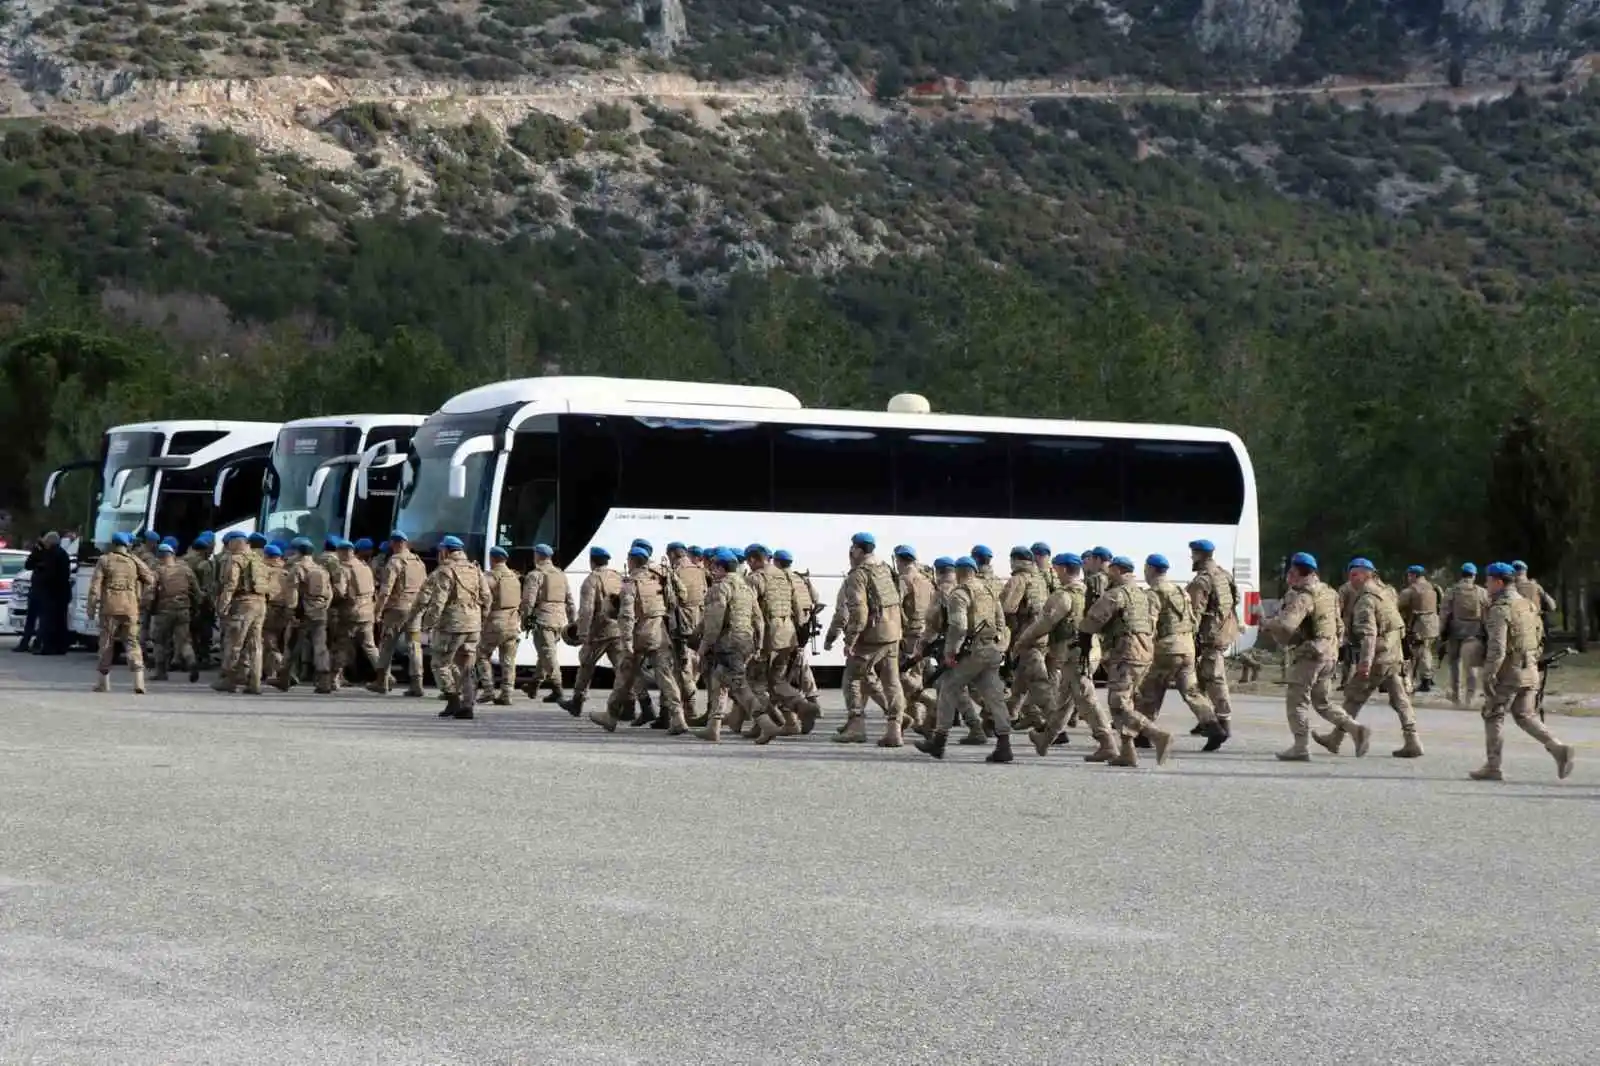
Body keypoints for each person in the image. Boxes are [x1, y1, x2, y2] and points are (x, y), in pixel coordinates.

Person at [1471, 562, 1576, 782]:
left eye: (1488, 580)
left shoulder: (1500, 609)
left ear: (1498, 582)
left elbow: (1497, 648)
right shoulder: (1527, 605)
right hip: (1530, 669)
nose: (1485, 584)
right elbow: (1539, 637)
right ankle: (1558, 747)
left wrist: (1489, 674)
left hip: (1510, 671)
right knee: (1525, 715)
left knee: (1493, 714)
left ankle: (1493, 766)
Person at [1260, 552, 1370, 761]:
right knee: (1322, 701)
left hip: (1311, 654)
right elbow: (1339, 624)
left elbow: (1287, 625)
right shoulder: (1328, 592)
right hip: (1330, 652)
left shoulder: (1304, 595)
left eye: (1291, 572)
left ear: (1296, 572)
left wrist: (1268, 623)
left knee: (1297, 700)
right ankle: (1355, 729)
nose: (1289, 577)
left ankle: (1300, 746)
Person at [1318, 558, 1424, 758]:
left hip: (1378, 656)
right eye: (1350, 575)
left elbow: (1369, 634)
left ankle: (1338, 738)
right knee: (1400, 699)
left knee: (1354, 697)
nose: (1351, 580)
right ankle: (1413, 740)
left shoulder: (1366, 599)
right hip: (1393, 654)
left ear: (1368, 575)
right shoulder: (1386, 592)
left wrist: (1365, 663)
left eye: (1355, 575)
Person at [915, 556, 1011, 762]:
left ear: (959, 572)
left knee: (948, 688)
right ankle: (1004, 744)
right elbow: (1001, 622)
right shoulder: (987, 590)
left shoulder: (959, 593)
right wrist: (1001, 646)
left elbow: (959, 626)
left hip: (971, 652)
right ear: (974, 571)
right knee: (995, 696)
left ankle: (938, 742)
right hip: (990, 649)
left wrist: (951, 652)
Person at [828, 532, 905, 745]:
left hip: (872, 636)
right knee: (892, 682)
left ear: (858, 550)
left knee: (852, 677)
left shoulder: (858, 575)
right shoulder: (885, 569)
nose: (850, 551)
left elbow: (859, 613)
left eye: (852, 548)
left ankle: (856, 726)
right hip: (892, 633)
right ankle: (895, 729)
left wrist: (850, 640)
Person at [87, 531, 154, 692]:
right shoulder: (133, 561)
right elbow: (150, 579)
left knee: (107, 643)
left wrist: (91, 607)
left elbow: (95, 586)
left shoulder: (104, 560)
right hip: (130, 608)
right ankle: (139, 682)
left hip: (109, 608)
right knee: (132, 643)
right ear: (128, 545)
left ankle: (103, 683)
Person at [561, 546, 624, 718]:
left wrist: (582, 632)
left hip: (599, 632)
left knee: (586, 665)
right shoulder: (616, 576)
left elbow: (587, 609)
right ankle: (632, 703)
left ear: (592, 561)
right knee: (622, 667)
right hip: (617, 628)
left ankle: (577, 701)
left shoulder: (591, 580)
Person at [370, 531, 428, 697]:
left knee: (387, 644)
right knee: (415, 645)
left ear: (394, 543)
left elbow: (385, 590)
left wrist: (378, 611)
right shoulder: (418, 562)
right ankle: (417, 683)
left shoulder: (394, 562)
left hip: (396, 610)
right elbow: (425, 587)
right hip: (415, 610)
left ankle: (381, 682)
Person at [521, 543, 574, 704]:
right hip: (559, 620)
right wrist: (572, 621)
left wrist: (525, 619)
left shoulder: (535, 575)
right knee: (546, 653)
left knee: (548, 654)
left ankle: (558, 689)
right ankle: (534, 684)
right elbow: (569, 600)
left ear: (537, 555)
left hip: (543, 619)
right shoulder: (560, 574)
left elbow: (529, 601)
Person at [148, 541, 201, 683]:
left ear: (160, 556)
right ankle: (191, 662)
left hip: (164, 611)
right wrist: (195, 608)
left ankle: (160, 672)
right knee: (184, 641)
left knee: (159, 641)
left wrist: (150, 609)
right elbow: (197, 592)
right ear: (173, 555)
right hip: (183, 610)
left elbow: (150, 593)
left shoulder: (158, 571)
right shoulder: (186, 570)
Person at [1440, 563, 1490, 707]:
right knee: (1471, 665)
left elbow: (1445, 613)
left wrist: (1441, 631)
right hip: (1474, 632)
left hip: (1455, 632)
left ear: (1461, 574)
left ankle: (1456, 696)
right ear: (1474, 575)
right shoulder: (1481, 591)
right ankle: (1470, 697)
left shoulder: (1452, 590)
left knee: (1454, 664)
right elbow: (1487, 612)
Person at [1396, 564, 1441, 693]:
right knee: (1427, 650)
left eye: (1409, 575)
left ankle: (1426, 680)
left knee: (1420, 651)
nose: (1408, 578)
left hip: (1420, 624)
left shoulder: (1411, 590)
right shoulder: (1434, 587)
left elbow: (1397, 606)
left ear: (1413, 575)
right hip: (1433, 623)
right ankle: (1428, 677)